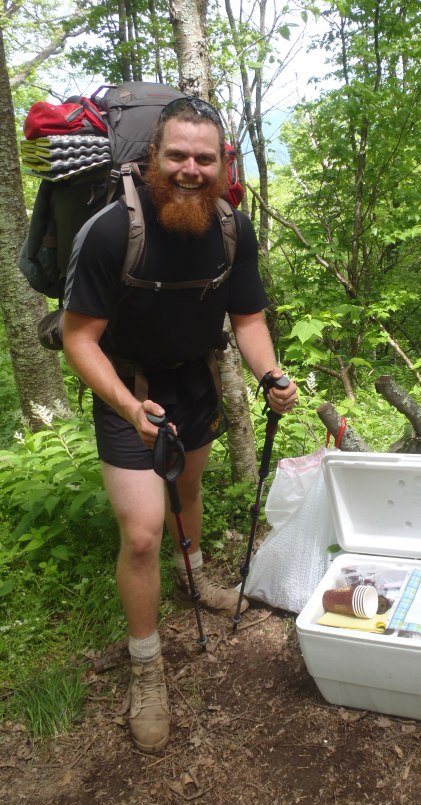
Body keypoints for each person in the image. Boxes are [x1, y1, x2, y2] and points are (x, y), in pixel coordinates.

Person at [62, 96, 298, 755]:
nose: (191, 169)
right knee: (141, 533)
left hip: (194, 380)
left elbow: (248, 319)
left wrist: (269, 374)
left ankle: (193, 577)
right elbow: (79, 338)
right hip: (128, 385)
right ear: (151, 159)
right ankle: (147, 667)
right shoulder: (112, 232)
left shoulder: (231, 228)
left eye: (205, 158)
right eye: (177, 156)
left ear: (224, 163)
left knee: (187, 490)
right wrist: (127, 406)